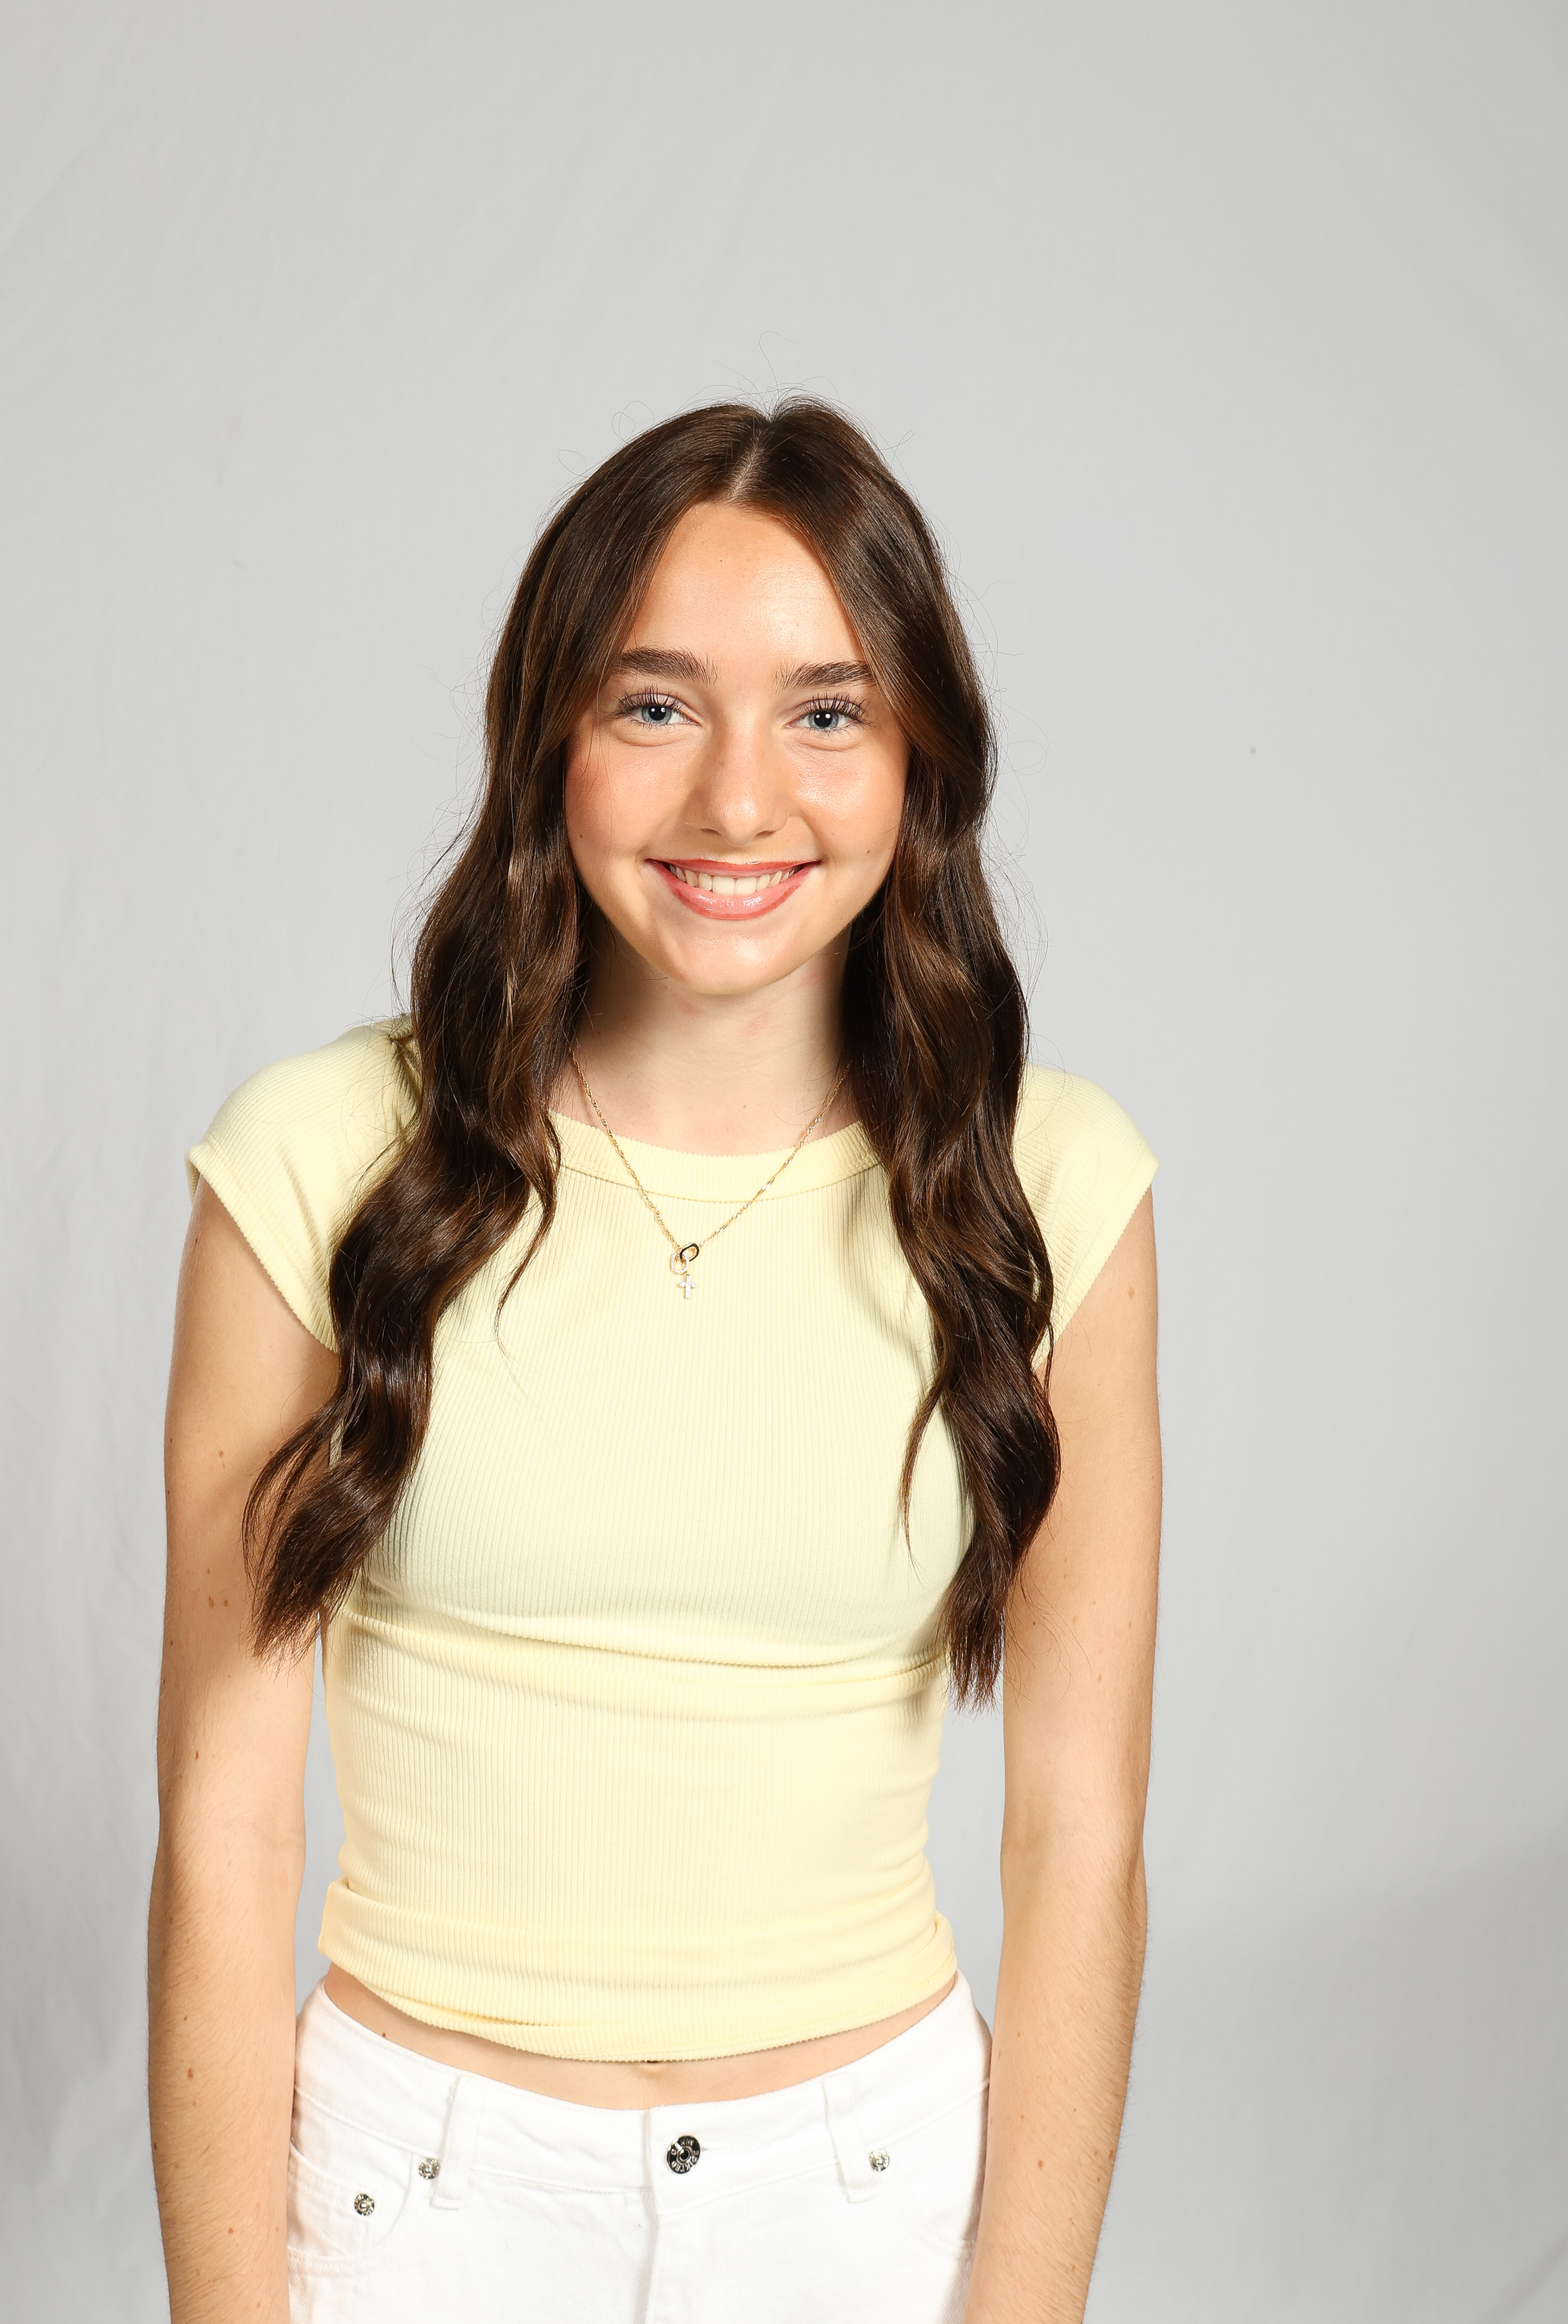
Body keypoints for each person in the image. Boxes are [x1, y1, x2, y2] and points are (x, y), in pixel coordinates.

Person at [148, 398, 1161, 2324]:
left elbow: (1079, 1837)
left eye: (827, 712)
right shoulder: (317, 1160)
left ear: (921, 756)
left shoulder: (1054, 1188)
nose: (738, 802)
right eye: (656, 705)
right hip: (412, 2203)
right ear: (549, 736)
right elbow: (221, 1831)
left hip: (872, 2207)